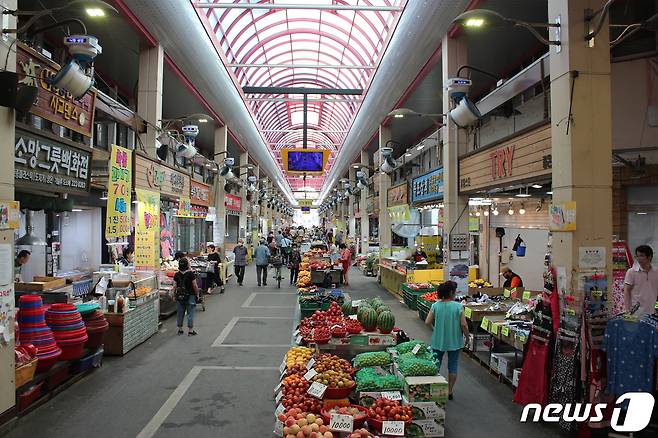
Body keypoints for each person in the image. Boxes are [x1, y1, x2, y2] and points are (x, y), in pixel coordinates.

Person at [425, 281, 469, 400]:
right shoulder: (458, 306)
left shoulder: (435, 305)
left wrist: (435, 329)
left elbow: (427, 322)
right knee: (453, 366)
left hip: (438, 340)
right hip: (454, 341)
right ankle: (449, 391)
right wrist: (467, 337)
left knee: (435, 364)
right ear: (451, 292)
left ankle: (433, 389)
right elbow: (464, 325)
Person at [624, 245, 658, 316]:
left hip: (653, 312)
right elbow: (627, 291)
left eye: (641, 256)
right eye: (637, 256)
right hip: (636, 311)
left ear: (649, 257)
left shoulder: (656, 271)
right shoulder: (631, 272)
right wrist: (627, 309)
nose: (639, 259)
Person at [174, 257, 200, 336]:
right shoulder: (191, 274)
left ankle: (180, 329)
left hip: (179, 297)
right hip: (190, 296)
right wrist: (197, 294)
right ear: (187, 265)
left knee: (180, 313)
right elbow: (195, 286)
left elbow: (174, 286)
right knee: (190, 313)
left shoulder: (176, 274)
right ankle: (190, 331)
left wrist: (174, 295)